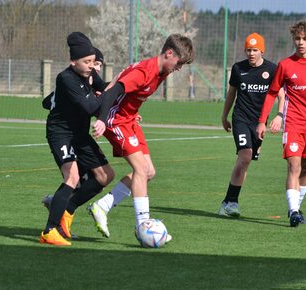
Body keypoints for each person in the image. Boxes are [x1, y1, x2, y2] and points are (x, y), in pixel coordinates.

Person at [92, 34, 195, 242]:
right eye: (180, 62)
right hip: (115, 120)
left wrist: (132, 109)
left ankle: (101, 206)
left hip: (128, 119)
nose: (180, 68)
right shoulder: (144, 72)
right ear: (169, 53)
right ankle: (143, 226)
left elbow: (127, 91)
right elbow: (112, 93)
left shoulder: (162, 70)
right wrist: (102, 119)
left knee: (148, 172)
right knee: (140, 169)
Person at [39, 32, 115, 246]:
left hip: (80, 135)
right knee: (72, 177)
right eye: (87, 62)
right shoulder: (66, 79)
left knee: (105, 176)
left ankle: (67, 211)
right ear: (73, 62)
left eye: (94, 61)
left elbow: (106, 90)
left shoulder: (90, 75)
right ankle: (49, 231)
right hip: (61, 133)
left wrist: (122, 95)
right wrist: (107, 96)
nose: (92, 66)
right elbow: (91, 106)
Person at [256, 21, 306, 227]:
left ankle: (298, 207)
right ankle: (293, 211)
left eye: (304, 39)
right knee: (294, 166)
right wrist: (263, 121)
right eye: (297, 38)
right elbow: (272, 93)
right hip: (294, 124)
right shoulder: (285, 65)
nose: (300, 42)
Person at [218, 33, 285, 217]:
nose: (251, 53)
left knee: (246, 162)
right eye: (248, 50)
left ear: (262, 50)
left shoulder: (272, 69)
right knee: (245, 155)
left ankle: (229, 202)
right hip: (240, 118)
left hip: (259, 123)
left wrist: (279, 115)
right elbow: (231, 94)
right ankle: (230, 202)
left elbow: (281, 95)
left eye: (255, 50)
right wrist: (224, 115)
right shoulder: (238, 69)